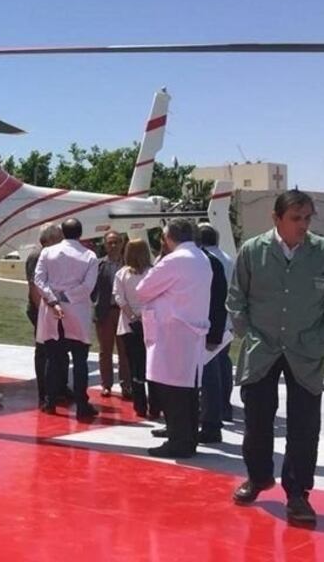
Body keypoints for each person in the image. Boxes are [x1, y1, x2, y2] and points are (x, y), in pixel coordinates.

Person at [227, 190, 323, 526]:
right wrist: (249, 335)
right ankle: (258, 478)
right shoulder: (253, 251)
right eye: (296, 218)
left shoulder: (321, 252)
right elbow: (236, 299)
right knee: (256, 421)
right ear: (276, 219)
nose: (304, 225)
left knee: (305, 426)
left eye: (308, 218)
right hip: (262, 349)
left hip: (306, 352)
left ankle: (297, 494)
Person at [135, 219, 212, 458]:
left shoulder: (174, 261)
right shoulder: (202, 258)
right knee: (187, 389)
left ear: (169, 238)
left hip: (171, 332)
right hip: (190, 332)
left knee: (172, 390)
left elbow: (142, 290)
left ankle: (179, 442)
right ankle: (186, 438)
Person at [34, 218, 99, 419]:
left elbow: (38, 279)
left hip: (52, 311)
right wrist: (67, 297)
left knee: (53, 359)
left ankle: (50, 402)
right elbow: (88, 287)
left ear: (62, 232)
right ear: (80, 234)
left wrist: (54, 299)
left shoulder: (47, 252)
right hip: (77, 312)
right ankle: (81, 405)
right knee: (80, 361)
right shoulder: (89, 256)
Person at [25, 223, 71, 406]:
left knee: (61, 350)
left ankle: (61, 386)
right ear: (49, 240)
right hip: (42, 310)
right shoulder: (37, 256)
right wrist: (44, 312)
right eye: (59, 238)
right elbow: (34, 288)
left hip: (55, 309)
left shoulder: (55, 256)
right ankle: (44, 391)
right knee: (44, 351)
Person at [197, 223, 236, 422]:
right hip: (228, 321)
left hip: (211, 320)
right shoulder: (229, 258)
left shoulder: (205, 260)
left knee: (210, 369)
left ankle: (212, 408)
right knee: (224, 364)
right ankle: (225, 405)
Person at [113, 238, 152, 417]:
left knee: (135, 366)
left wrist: (132, 316)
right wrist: (143, 316)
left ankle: (140, 405)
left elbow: (119, 298)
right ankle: (156, 404)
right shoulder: (153, 273)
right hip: (151, 324)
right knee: (152, 366)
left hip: (129, 326)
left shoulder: (121, 274)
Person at [93, 231, 129, 398]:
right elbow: (90, 288)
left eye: (116, 242)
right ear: (105, 245)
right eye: (110, 243)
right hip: (105, 313)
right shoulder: (98, 265)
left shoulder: (129, 265)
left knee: (125, 352)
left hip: (124, 314)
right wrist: (97, 303)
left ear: (122, 244)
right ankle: (106, 385)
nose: (113, 246)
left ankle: (126, 386)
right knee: (105, 351)